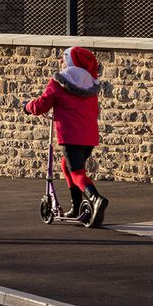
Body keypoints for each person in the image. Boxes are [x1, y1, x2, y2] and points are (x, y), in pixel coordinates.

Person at [24, 44, 107, 227]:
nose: (61, 62)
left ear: (69, 61)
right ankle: (77, 206)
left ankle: (95, 198)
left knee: (77, 173)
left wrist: (28, 106)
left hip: (70, 136)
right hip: (89, 136)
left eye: (63, 58)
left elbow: (42, 104)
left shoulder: (59, 81)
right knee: (66, 165)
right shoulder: (91, 84)